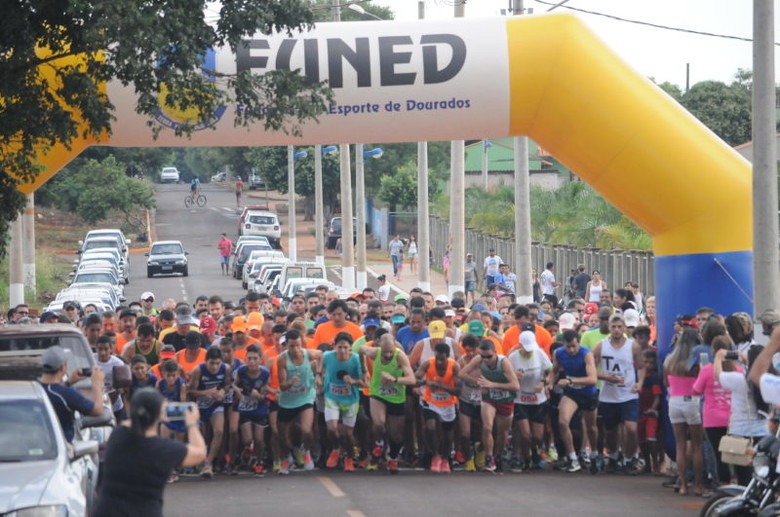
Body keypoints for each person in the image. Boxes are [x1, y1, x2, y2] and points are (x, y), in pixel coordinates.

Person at [94, 388, 207, 517]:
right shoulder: (164, 449)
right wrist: (191, 424)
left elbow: (131, 422)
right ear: (160, 414)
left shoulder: (118, 435)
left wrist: (154, 411)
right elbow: (200, 453)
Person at [593, 314, 645, 475]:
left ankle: (630, 458)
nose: (616, 330)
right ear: (608, 327)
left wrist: (640, 383)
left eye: (619, 327)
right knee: (610, 430)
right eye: (613, 327)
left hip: (628, 393)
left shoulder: (633, 346)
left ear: (624, 328)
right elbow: (591, 369)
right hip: (608, 394)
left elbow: (641, 366)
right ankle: (614, 455)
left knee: (631, 427)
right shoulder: (601, 346)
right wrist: (604, 377)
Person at [458, 339, 520, 473]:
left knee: (502, 433)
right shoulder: (478, 359)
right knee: (487, 427)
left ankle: (498, 455)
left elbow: (515, 386)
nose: (486, 360)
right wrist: (476, 381)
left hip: (505, 399)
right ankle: (489, 457)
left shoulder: (503, 362)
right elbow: (461, 373)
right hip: (489, 399)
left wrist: (492, 384)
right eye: (483, 356)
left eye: (489, 356)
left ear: (495, 353)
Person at [360, 333, 417, 474]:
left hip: (396, 397)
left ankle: (393, 457)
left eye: (390, 351)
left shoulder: (400, 356)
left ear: (395, 346)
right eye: (385, 351)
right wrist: (364, 370)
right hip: (378, 393)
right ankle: (379, 444)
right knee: (379, 423)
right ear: (380, 347)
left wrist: (395, 379)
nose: (388, 354)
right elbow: (361, 349)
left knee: (396, 434)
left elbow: (412, 380)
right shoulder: (374, 353)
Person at [548, 330, 599, 473]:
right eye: (568, 346)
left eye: (574, 346)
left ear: (578, 343)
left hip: (588, 393)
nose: (571, 350)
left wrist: (570, 380)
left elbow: (593, 379)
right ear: (563, 344)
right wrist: (550, 384)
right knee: (563, 422)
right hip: (571, 393)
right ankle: (572, 457)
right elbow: (554, 371)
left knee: (591, 427)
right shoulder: (558, 353)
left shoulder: (586, 353)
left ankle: (594, 453)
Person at [664, 328, 704, 496]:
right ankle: (698, 485)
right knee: (697, 445)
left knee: (680, 444)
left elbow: (666, 383)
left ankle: (683, 485)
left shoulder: (670, 360)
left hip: (674, 402)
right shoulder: (698, 361)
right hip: (692, 401)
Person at [277, 329, 323, 474]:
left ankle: (305, 452)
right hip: (288, 400)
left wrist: (318, 374)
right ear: (286, 345)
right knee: (283, 434)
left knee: (307, 431)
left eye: (297, 345)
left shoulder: (308, 354)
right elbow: (282, 386)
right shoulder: (282, 359)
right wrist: (290, 382)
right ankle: (287, 458)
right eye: (291, 346)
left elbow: (321, 355)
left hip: (306, 396)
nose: (295, 349)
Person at [38, 346, 105, 443]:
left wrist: (68, 382)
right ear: (63, 368)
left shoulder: (33, 389)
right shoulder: (67, 394)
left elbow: (53, 391)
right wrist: (96, 384)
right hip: (63, 448)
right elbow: (97, 410)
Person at [318, 332, 364, 471]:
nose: (342, 350)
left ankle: (349, 457)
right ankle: (336, 449)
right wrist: (318, 376)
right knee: (332, 428)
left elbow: (365, 383)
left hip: (350, 400)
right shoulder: (327, 356)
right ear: (334, 347)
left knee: (347, 434)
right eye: (339, 347)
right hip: (332, 397)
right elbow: (319, 363)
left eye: (345, 347)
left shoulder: (356, 360)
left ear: (350, 347)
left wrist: (353, 381)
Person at [508, 330, 552, 472]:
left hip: (538, 400)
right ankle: (524, 458)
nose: (528, 352)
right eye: (526, 349)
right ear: (520, 345)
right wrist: (514, 376)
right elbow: (505, 374)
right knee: (526, 435)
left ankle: (536, 456)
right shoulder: (513, 357)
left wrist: (544, 383)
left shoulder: (539, 354)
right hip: (521, 400)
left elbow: (551, 371)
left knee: (537, 436)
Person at [188, 346, 232, 478]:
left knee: (219, 431)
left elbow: (228, 384)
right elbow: (191, 391)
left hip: (215, 404)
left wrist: (223, 391)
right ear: (206, 361)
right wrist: (206, 392)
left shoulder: (226, 369)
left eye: (217, 363)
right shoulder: (198, 370)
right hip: (200, 406)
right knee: (202, 436)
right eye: (212, 363)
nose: (214, 367)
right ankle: (200, 460)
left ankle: (208, 463)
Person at [416, 342, 460, 473]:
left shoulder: (454, 366)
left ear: (447, 356)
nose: (439, 362)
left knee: (448, 433)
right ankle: (435, 455)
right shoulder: (428, 363)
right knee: (430, 427)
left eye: (442, 359)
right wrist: (426, 382)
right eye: (437, 358)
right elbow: (415, 377)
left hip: (448, 403)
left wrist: (442, 386)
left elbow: (458, 391)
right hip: (431, 401)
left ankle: (446, 457)